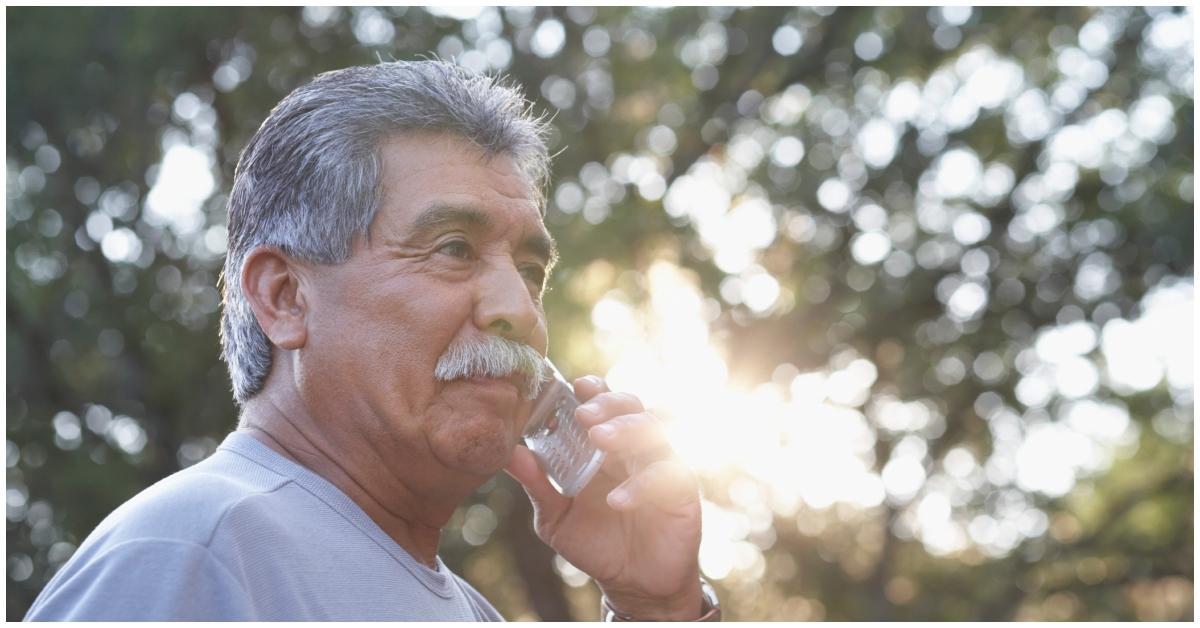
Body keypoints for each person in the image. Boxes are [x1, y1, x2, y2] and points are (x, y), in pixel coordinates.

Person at [25, 60, 719, 621]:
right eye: (452, 248)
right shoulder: (189, 556)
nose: (521, 310)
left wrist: (657, 607)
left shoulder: (473, 614)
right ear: (285, 297)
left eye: (530, 270)